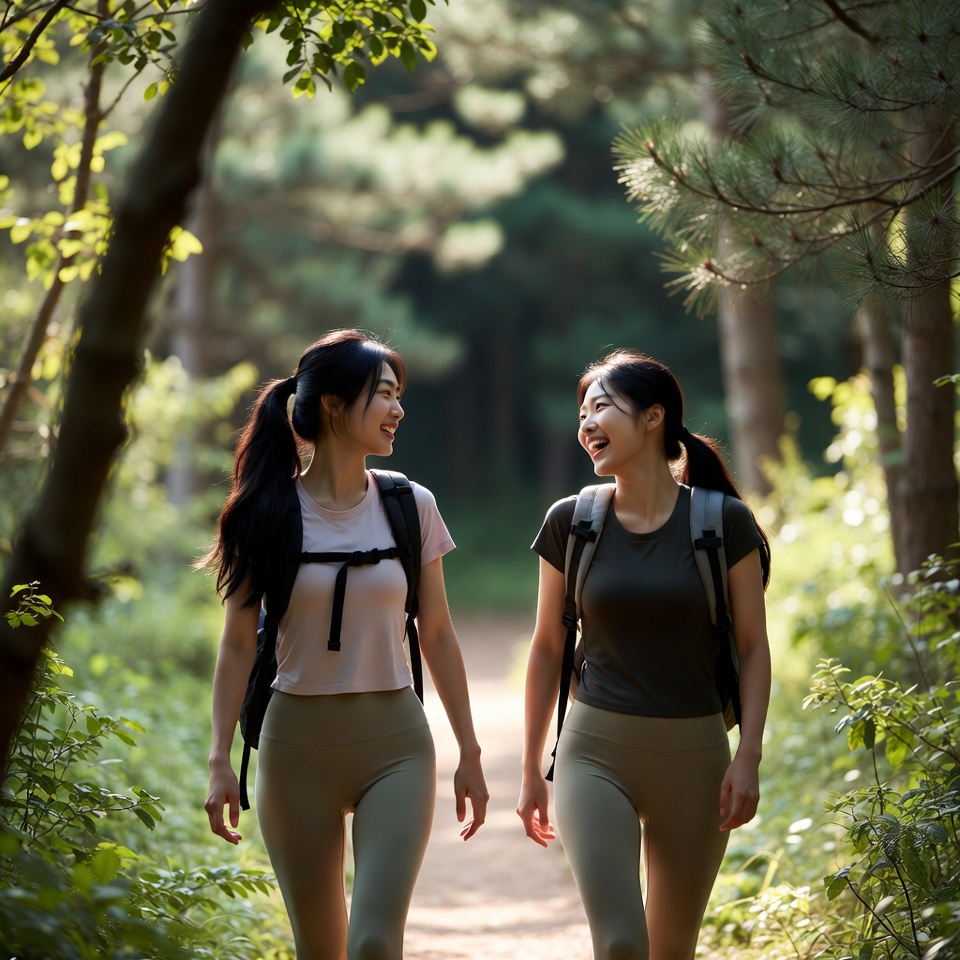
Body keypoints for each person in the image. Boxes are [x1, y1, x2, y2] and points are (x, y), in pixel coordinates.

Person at [203, 329, 488, 960]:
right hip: (293, 749)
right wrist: (221, 757)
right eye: (384, 394)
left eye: (398, 395)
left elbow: (436, 632)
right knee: (320, 948)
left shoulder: (410, 506)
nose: (398, 409)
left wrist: (469, 750)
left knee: (375, 943)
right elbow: (236, 646)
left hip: (396, 747)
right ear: (334, 405)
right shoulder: (266, 512)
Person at [517, 349, 771, 960]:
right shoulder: (570, 522)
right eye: (582, 413)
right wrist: (530, 768)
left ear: (654, 417)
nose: (586, 425)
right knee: (622, 944)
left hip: (697, 759)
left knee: (671, 949)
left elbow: (754, 647)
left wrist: (749, 756)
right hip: (593, 752)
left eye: (601, 407)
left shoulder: (723, 523)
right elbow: (549, 645)